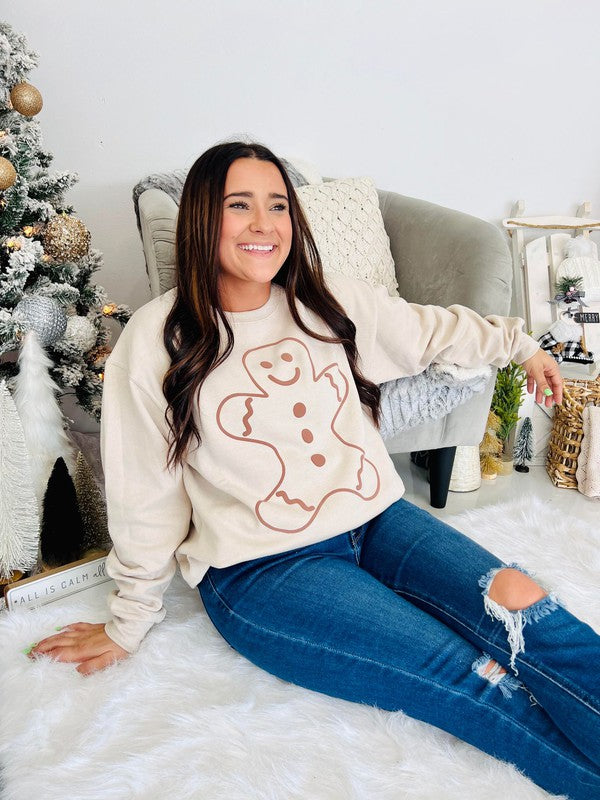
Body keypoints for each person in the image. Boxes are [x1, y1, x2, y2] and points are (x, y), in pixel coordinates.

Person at [30, 142, 599, 799]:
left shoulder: (323, 301)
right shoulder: (159, 340)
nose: (263, 224)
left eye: (278, 206)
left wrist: (518, 344)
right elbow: (145, 495)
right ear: (201, 220)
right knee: (467, 674)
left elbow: (427, 330)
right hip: (265, 570)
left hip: (377, 521)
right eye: (238, 205)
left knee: (524, 605)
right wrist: (128, 621)